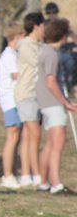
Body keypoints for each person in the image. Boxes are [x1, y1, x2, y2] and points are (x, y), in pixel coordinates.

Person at [35, 18, 77, 194]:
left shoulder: (46, 51)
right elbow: (51, 82)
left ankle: (44, 182)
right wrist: (65, 102)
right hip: (52, 102)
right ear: (62, 35)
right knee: (58, 142)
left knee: (51, 143)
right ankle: (56, 184)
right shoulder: (52, 54)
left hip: (46, 102)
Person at [14, 12, 45, 188]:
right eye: (43, 26)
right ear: (36, 26)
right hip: (27, 94)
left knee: (28, 135)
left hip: (36, 94)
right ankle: (37, 174)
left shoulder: (39, 44)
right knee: (35, 135)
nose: (44, 30)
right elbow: (40, 64)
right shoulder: (26, 45)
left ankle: (26, 175)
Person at [0, 22, 27, 189]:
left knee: (17, 138)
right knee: (12, 136)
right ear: (17, 37)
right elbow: (18, 75)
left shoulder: (13, 55)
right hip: (10, 102)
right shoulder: (9, 55)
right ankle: (7, 176)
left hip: (16, 101)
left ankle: (12, 173)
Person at [44, 2, 75, 95]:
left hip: (62, 50)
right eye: (49, 13)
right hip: (50, 50)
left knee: (69, 61)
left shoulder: (61, 24)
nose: (52, 15)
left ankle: (69, 82)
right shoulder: (45, 25)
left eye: (54, 13)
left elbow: (73, 35)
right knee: (65, 60)